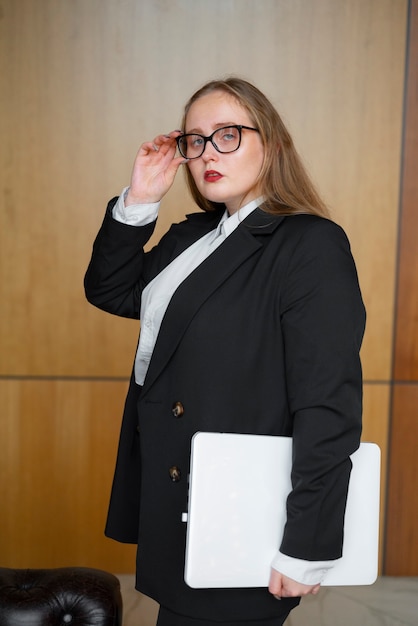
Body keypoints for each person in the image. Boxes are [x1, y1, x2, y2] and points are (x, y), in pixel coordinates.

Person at [84, 77, 366, 626]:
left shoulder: (309, 243)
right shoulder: (194, 237)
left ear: (273, 144)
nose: (207, 152)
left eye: (228, 135)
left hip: (242, 510)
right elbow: (112, 289)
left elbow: (327, 402)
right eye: (195, 140)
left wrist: (309, 540)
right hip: (181, 496)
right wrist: (140, 198)